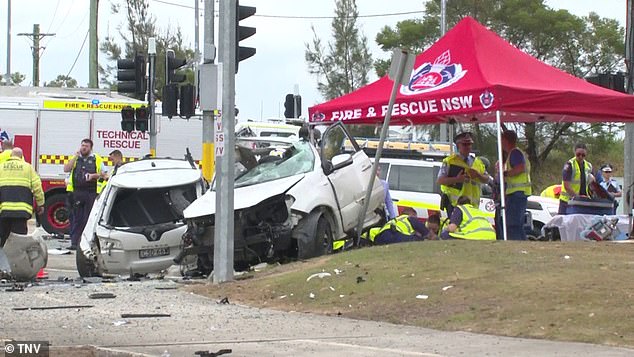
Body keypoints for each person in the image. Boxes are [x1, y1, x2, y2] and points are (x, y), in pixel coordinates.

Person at [63, 138, 106, 250]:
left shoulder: (96, 158)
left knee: (88, 219)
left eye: (86, 146)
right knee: (76, 218)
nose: (83, 148)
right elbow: (66, 169)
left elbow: (104, 174)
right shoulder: (76, 158)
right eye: (82, 145)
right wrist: (74, 157)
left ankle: (87, 243)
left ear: (90, 148)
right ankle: (74, 243)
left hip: (91, 193)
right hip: (76, 192)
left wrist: (93, 176)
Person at [0, 148, 45, 247]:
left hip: (3, 211)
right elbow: (37, 186)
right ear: (21, 156)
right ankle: (17, 260)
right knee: (20, 240)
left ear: (11, 156)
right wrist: (40, 204)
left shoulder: (1, 167)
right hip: (21, 212)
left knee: (2, 238)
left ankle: (2, 259)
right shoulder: (28, 168)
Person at [437, 132, 489, 216]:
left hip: (473, 206)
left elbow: (487, 179)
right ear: (458, 145)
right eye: (464, 144)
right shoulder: (450, 161)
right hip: (455, 205)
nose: (468, 147)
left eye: (469, 144)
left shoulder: (478, 162)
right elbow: (440, 180)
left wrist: (478, 175)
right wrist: (457, 179)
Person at [498, 130, 531, 240]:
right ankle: (522, 245)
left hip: (517, 193)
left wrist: (505, 173)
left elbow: (520, 168)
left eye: (502, 140)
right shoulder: (514, 153)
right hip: (518, 193)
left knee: (512, 224)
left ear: (506, 140)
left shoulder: (515, 153)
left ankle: (516, 245)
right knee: (517, 224)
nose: (500, 143)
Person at [362, 207, 434, 245]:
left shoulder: (395, 220)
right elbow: (427, 234)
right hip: (394, 234)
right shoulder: (409, 218)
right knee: (419, 240)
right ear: (412, 214)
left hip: (380, 237)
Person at [559, 143, 593, 215]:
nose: (581, 157)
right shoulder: (569, 165)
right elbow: (566, 186)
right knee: (564, 224)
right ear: (574, 153)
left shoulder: (588, 166)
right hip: (567, 202)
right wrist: (577, 197)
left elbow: (592, 184)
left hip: (582, 201)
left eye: (583, 155)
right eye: (578, 154)